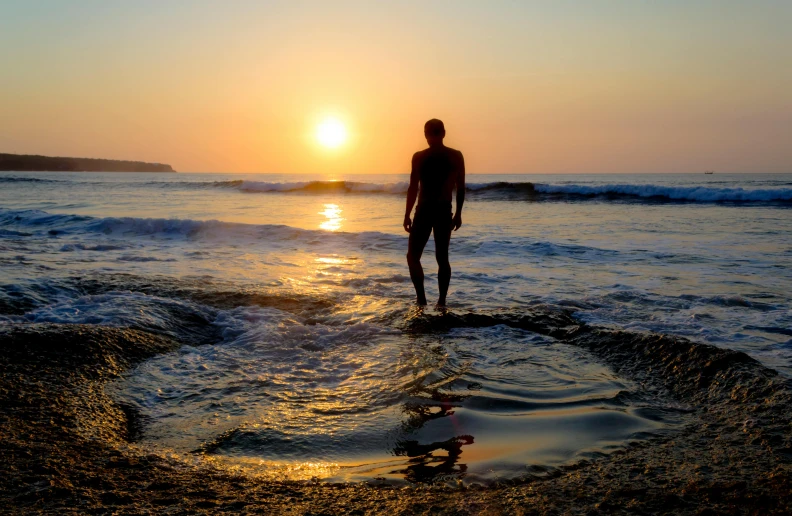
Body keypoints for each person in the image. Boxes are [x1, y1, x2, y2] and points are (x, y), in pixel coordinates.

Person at [403, 119, 465, 306]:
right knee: (441, 257)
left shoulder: (420, 157)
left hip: (425, 210)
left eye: (430, 132)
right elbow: (460, 188)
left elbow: (413, 188)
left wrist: (407, 214)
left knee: (414, 257)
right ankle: (441, 302)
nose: (431, 136)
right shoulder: (455, 156)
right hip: (442, 209)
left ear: (427, 134)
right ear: (443, 132)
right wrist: (458, 213)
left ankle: (422, 299)